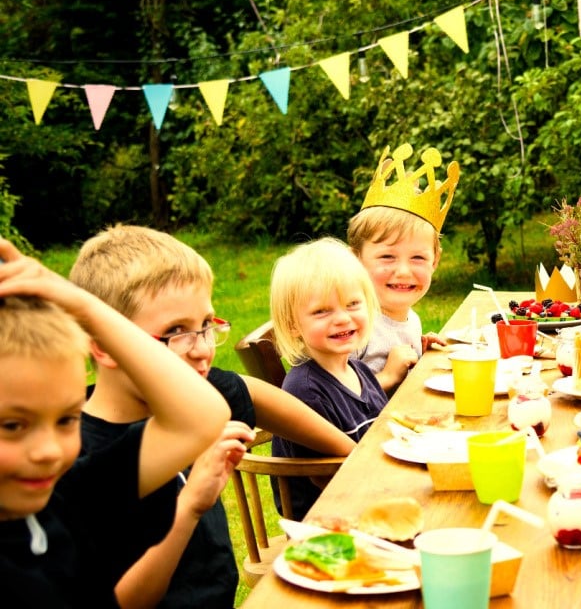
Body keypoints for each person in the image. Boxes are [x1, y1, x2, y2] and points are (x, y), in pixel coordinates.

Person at [69, 225, 357, 608]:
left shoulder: (198, 390)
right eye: (175, 331)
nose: (203, 348)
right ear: (105, 346)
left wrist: (353, 456)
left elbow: (255, 393)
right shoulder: (73, 454)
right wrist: (189, 506)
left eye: (206, 325)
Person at [0, 239, 228, 608]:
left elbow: (201, 417)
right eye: (12, 426)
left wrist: (81, 306)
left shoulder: (64, 502)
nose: (49, 451)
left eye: (66, 419)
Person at [269, 237, 388, 519]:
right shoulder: (306, 391)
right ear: (292, 325)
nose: (342, 319)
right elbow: (325, 479)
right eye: (322, 311)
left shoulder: (359, 371)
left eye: (352, 304)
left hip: (369, 495)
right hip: (328, 522)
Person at [348, 143, 460, 392]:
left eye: (418, 258)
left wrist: (420, 353)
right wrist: (386, 376)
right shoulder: (351, 325)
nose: (403, 271)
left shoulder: (412, 319)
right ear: (355, 260)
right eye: (387, 256)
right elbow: (332, 400)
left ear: (435, 261)